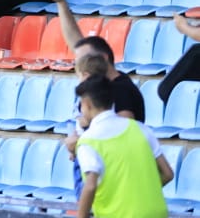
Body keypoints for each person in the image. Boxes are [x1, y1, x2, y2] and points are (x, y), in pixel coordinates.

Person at [74, 75, 172, 218]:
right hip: (156, 213)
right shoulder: (141, 129)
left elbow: (90, 186)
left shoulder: (88, 140)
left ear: (87, 104)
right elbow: (168, 174)